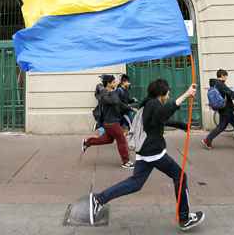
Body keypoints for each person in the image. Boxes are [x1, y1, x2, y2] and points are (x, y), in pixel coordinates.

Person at [88, 79, 205, 231]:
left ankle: (99, 199)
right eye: (168, 93)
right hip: (154, 152)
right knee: (180, 176)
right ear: (161, 93)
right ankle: (184, 218)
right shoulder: (154, 104)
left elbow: (158, 120)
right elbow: (164, 112)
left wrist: (183, 126)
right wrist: (186, 95)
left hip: (144, 151)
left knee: (135, 183)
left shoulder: (149, 102)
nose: (169, 95)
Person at [82, 75, 134, 169]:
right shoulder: (104, 94)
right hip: (111, 123)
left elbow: (119, 103)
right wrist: (114, 92)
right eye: (114, 82)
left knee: (108, 140)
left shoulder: (111, 92)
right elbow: (114, 101)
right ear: (109, 84)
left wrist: (130, 108)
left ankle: (88, 142)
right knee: (121, 139)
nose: (116, 83)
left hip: (112, 121)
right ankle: (125, 162)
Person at [201, 69, 234, 150]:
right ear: (222, 76)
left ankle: (207, 140)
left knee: (227, 126)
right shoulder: (220, 84)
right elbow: (231, 93)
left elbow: (228, 94)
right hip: (226, 109)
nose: (226, 78)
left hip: (223, 108)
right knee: (233, 126)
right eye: (226, 76)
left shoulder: (215, 84)